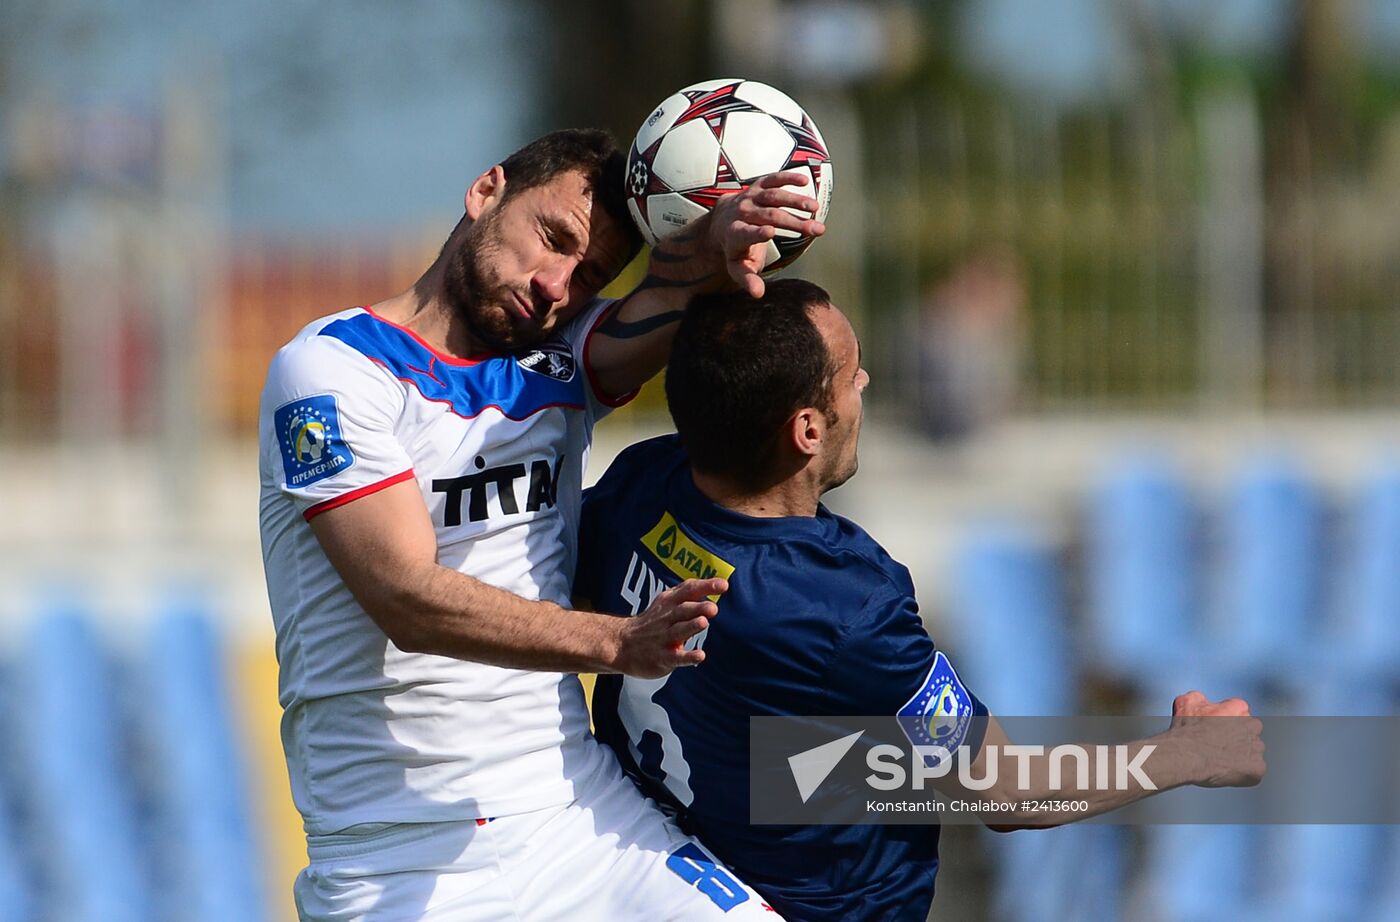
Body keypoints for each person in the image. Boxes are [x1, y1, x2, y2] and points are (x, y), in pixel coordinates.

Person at [258, 128, 824, 920]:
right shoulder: (330, 370)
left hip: (577, 817)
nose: (557, 283)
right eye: (553, 239)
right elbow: (406, 599)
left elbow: (679, 303)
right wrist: (617, 644)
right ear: (486, 191)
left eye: (588, 275)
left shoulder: (560, 362)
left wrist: (719, 257)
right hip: (396, 857)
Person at [575, 279, 1266, 921]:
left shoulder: (642, 481)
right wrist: (1189, 755)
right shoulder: (842, 605)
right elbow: (1004, 792)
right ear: (808, 430)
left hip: (655, 869)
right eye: (852, 375)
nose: (865, 385)